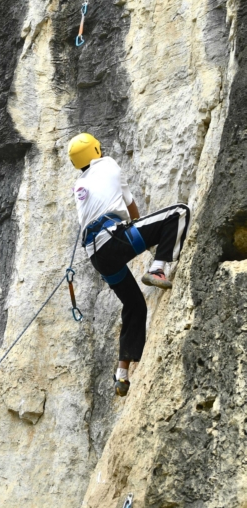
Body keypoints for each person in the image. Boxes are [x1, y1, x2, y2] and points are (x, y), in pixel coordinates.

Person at [68, 133, 190, 397]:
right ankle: (159, 268)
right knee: (178, 213)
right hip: (114, 238)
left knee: (134, 305)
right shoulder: (109, 163)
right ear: (96, 150)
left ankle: (121, 373)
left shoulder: (79, 186)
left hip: (97, 257)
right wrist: (148, 240)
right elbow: (132, 210)